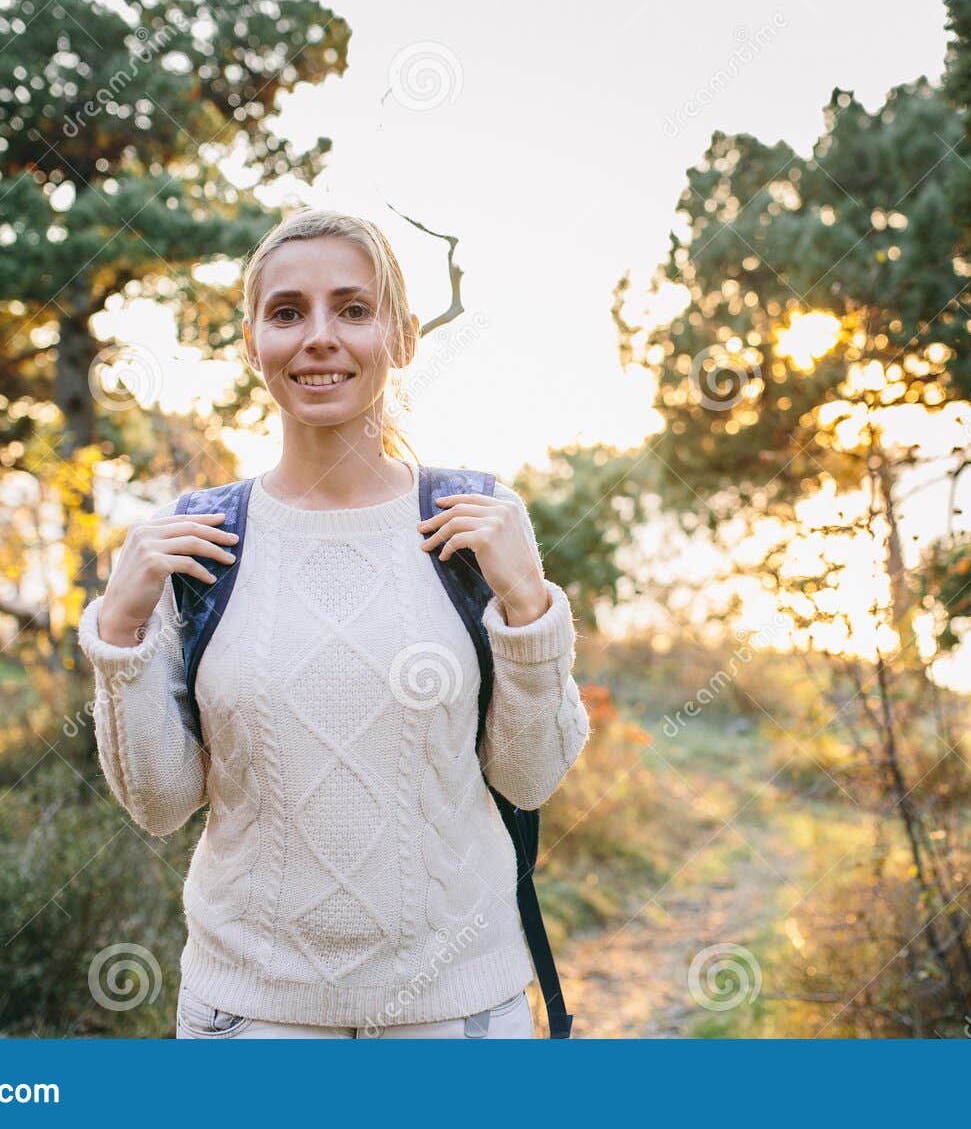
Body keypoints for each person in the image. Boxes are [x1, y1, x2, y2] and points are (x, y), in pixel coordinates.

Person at [75, 208, 591, 1039]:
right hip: (249, 1017)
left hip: (458, 1011)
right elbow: (162, 804)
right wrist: (123, 630)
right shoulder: (200, 541)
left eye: (353, 309)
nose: (319, 337)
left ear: (404, 337)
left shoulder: (477, 520)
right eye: (287, 313)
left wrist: (528, 608)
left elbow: (529, 778)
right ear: (253, 344)